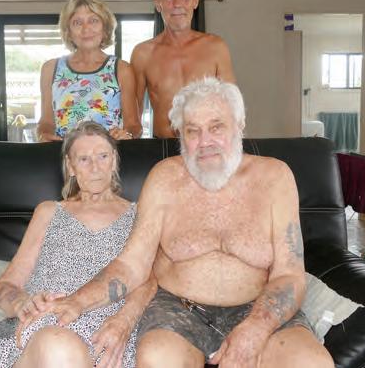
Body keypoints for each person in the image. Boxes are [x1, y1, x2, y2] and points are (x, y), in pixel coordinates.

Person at [39, 78, 334, 367]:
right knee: (157, 360)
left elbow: (289, 274)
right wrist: (77, 301)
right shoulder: (164, 178)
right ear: (180, 135)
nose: (205, 142)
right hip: (177, 308)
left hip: (258, 307)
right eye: (192, 131)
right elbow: (132, 264)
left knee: (311, 363)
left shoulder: (275, 178)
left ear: (240, 125)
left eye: (216, 127)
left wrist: (255, 329)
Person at [0, 121, 156, 368]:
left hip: (108, 332)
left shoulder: (140, 216)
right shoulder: (49, 212)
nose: (95, 167)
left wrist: (124, 321)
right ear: (70, 166)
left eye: (103, 156)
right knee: (58, 345)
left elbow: (151, 281)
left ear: (114, 160)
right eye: (84, 159)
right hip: (46, 323)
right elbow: (6, 285)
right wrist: (20, 302)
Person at [130, 0, 236, 138]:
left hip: (208, 144)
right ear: (158, 2)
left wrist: (234, 148)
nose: (177, 4)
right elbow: (132, 118)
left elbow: (232, 107)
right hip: (163, 146)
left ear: (195, 0)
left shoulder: (216, 48)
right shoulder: (143, 54)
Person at [37, 0, 141, 142]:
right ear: (68, 31)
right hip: (63, 154)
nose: (86, 29)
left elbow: (134, 126)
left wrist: (127, 134)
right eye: (77, 22)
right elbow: (46, 123)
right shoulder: (50, 69)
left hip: (107, 154)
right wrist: (44, 134)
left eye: (93, 21)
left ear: (105, 27)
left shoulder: (122, 69)